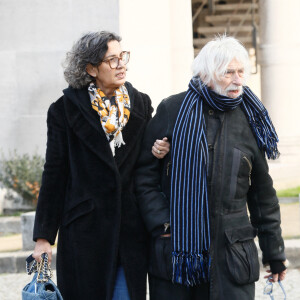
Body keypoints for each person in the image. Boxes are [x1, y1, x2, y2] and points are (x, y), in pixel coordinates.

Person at [135, 36, 287, 300]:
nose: (238, 80)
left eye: (241, 72)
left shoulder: (250, 118)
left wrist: (274, 254)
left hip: (232, 259)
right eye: (228, 73)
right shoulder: (172, 109)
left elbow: (263, 195)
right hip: (177, 254)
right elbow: (144, 174)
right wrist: (162, 222)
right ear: (206, 75)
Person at [32, 31, 169, 300]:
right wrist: (44, 237)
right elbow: (54, 174)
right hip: (84, 233)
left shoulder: (141, 104)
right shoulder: (63, 110)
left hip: (129, 231)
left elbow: (145, 163)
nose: (122, 65)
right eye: (112, 60)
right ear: (91, 68)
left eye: (123, 57)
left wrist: (158, 150)